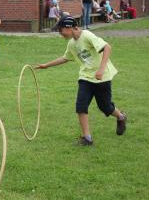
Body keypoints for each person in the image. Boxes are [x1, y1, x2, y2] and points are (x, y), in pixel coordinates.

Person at [35, 15, 127, 146]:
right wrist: (46, 65)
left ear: (69, 27)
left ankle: (121, 116)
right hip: (85, 78)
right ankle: (87, 138)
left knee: (105, 107)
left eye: (60, 30)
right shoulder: (71, 43)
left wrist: (101, 69)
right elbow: (65, 58)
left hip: (102, 77)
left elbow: (107, 47)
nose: (60, 33)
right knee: (81, 106)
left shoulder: (87, 35)